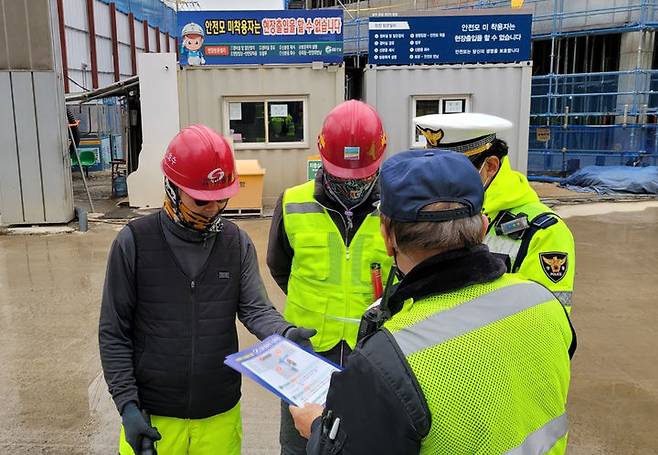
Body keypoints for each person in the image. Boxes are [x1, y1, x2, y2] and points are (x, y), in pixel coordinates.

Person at [289, 150, 576, 454]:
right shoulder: (544, 303)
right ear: (483, 226)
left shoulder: (385, 359)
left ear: (387, 237)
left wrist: (318, 430)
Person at [99, 124, 314, 455]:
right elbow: (114, 332)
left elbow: (256, 308)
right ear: (173, 188)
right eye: (202, 201)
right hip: (154, 417)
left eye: (221, 199)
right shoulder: (135, 243)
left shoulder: (234, 242)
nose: (214, 209)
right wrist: (127, 406)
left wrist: (284, 334)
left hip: (219, 416)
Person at [266, 100, 393, 455]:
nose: (352, 186)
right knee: (298, 446)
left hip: (372, 356)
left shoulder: (396, 208)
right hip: (304, 355)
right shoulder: (293, 202)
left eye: (362, 176)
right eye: (342, 176)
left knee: (364, 445)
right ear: (322, 158)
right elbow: (280, 267)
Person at [415, 113, 576, 311]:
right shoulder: (434, 214)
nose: (439, 182)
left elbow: (548, 324)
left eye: (452, 173)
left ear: (490, 166)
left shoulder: (545, 233)